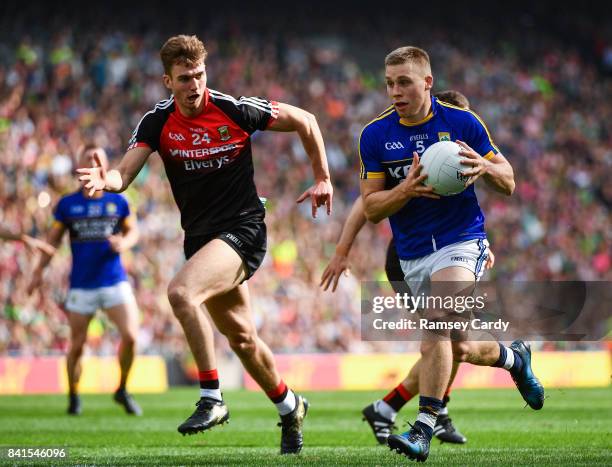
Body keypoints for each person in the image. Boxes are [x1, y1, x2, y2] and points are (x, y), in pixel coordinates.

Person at [77, 35, 333, 455]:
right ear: (167, 81)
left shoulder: (235, 109)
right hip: (201, 239)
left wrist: (322, 176)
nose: (193, 85)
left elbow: (306, 120)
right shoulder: (156, 123)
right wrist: (105, 182)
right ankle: (291, 407)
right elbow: (124, 174)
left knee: (180, 293)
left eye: (199, 75)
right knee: (244, 340)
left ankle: (212, 396)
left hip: (244, 229)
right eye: (184, 78)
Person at [358, 46, 544, 462]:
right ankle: (516, 358)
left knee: (438, 326)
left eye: (404, 82)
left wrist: (486, 167)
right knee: (457, 347)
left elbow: (509, 181)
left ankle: (423, 427)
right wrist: (405, 189)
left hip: (462, 242)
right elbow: (371, 209)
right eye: (389, 83)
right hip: (410, 255)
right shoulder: (374, 135)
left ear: (427, 82)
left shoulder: (461, 122)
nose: (395, 91)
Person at [322, 91, 495, 446]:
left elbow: (460, 212)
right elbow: (364, 203)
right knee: (445, 334)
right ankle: (427, 411)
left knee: (449, 335)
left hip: (444, 252)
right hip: (407, 258)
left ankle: (395, 409)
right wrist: (342, 251)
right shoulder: (411, 147)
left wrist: (482, 243)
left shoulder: (458, 155)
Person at [28, 144, 142, 417]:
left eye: (97, 159)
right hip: (81, 285)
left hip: (114, 280)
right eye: (87, 160)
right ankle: (74, 395)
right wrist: (36, 273)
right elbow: (52, 243)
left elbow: (133, 232)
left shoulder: (119, 201)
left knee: (131, 337)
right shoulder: (68, 205)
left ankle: (122, 389)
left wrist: (123, 243)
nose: (92, 163)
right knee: (77, 345)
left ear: (106, 167)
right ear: (79, 168)